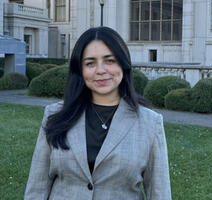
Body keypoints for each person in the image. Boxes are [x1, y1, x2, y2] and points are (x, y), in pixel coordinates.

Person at [24, 26, 171, 200]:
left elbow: (159, 192)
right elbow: (37, 187)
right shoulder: (54, 115)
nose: (100, 70)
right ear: (80, 70)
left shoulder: (150, 123)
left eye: (109, 60)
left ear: (123, 64)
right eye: (90, 63)